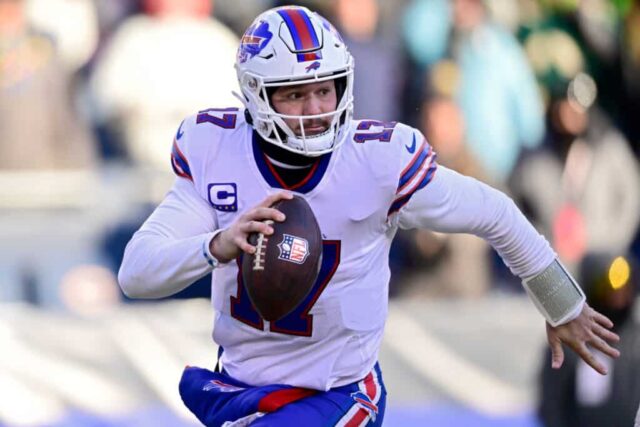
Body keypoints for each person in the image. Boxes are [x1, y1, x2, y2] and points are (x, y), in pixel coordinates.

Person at [118, 6, 620, 426]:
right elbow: (136, 274)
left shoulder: (375, 161)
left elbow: (496, 213)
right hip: (242, 389)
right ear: (255, 95)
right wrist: (215, 245)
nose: (316, 107)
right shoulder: (215, 150)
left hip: (337, 394)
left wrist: (563, 306)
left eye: (326, 88)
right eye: (294, 93)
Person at [538, 253, 640, 427]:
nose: (618, 294)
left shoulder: (637, 341)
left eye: (625, 286)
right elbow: (551, 403)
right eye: (609, 286)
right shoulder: (569, 342)